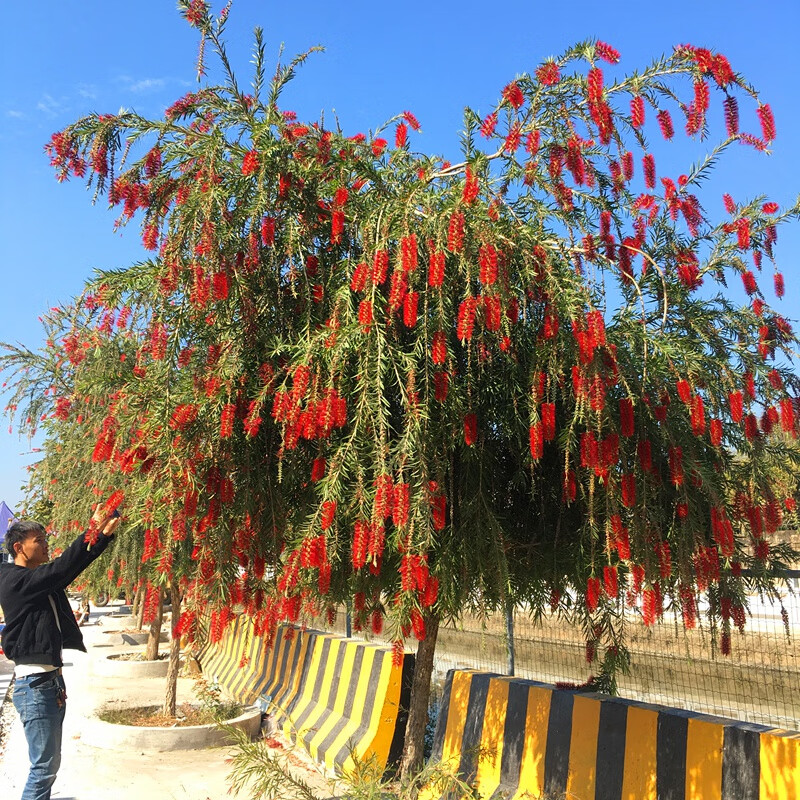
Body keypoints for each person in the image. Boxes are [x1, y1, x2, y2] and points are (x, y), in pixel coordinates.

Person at [0, 508, 120, 800]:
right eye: (38, 540)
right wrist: (90, 530)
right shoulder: (15, 581)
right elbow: (61, 569)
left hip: (49, 683)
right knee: (43, 769)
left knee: (48, 766)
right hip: (36, 687)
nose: (45, 544)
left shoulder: (34, 579)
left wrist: (100, 539)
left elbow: (66, 570)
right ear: (19, 548)